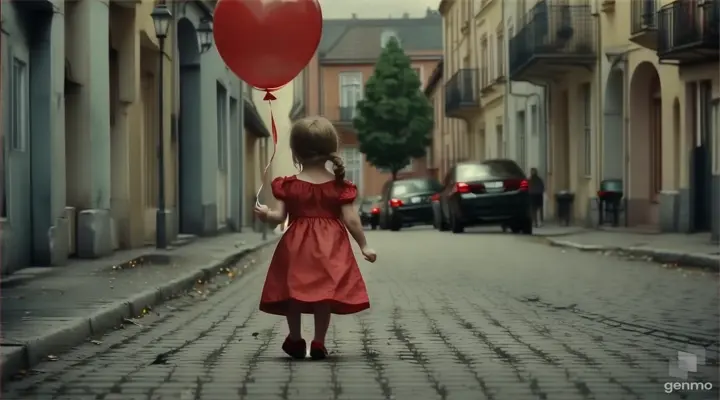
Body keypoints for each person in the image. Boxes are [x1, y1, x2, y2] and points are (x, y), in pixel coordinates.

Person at [254, 116, 377, 361]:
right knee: (324, 294)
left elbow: (280, 217)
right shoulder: (339, 186)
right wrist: (364, 245)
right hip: (331, 245)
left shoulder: (288, 186)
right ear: (332, 149)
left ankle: (296, 339)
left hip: (296, 247)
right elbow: (351, 219)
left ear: (296, 152)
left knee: (294, 293)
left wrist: (265, 214)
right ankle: (319, 341)